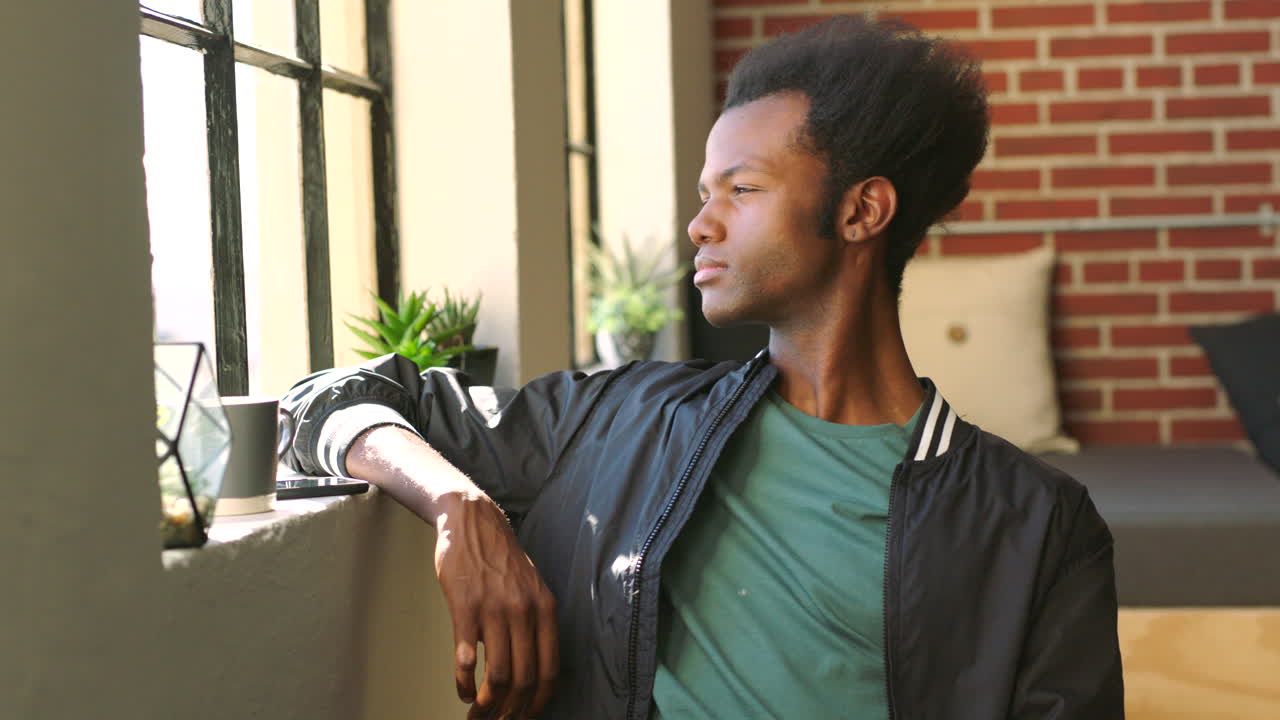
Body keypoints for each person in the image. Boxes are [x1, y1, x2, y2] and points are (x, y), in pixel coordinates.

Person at [281, 15, 1123, 720]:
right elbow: (330, 401)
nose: (700, 226)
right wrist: (459, 504)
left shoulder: (1036, 528)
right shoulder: (619, 418)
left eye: (741, 191)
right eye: (701, 194)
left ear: (862, 210)